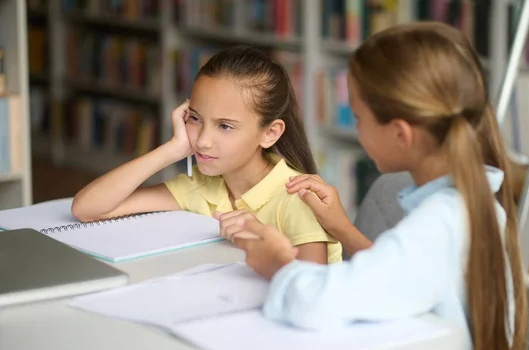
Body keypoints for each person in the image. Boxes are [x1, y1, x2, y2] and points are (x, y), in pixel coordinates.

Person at [231, 22, 529, 350]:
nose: (356, 129)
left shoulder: (438, 224)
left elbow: (316, 306)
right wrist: (341, 227)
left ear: (401, 134)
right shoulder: (472, 205)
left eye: (359, 118)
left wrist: (278, 263)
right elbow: (410, 277)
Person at [71, 45, 342, 266]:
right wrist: (172, 149)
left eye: (225, 126)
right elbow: (88, 209)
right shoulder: (199, 186)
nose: (202, 141)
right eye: (196, 118)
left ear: (269, 133)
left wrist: (262, 240)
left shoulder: (297, 197)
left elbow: (311, 288)